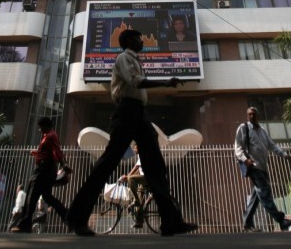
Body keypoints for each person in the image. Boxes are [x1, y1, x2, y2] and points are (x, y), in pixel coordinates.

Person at [65, 28, 198, 237]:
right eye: (138, 37)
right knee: (107, 164)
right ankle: (77, 219)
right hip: (127, 112)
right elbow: (135, 82)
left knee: (156, 166)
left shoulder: (135, 60)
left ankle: (171, 221)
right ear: (128, 41)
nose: (142, 39)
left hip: (139, 113)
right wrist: (165, 81)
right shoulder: (123, 58)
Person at [234, 106, 291, 232]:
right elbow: (238, 146)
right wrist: (245, 159)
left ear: (258, 115)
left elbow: (272, 146)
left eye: (254, 114)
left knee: (256, 196)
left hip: (263, 167)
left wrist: (285, 155)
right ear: (247, 116)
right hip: (253, 166)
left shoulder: (262, 131)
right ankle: (281, 220)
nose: (252, 116)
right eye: (249, 114)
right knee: (264, 192)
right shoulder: (244, 128)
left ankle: (247, 223)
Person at [11, 117, 69, 233]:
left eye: (41, 127)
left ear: (46, 126)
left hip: (43, 170)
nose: (39, 130)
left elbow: (57, 151)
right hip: (46, 169)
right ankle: (69, 218)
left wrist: (64, 165)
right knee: (48, 197)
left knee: (31, 197)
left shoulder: (50, 136)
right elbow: (48, 152)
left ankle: (25, 225)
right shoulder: (48, 135)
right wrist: (36, 153)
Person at [119, 145, 148, 228]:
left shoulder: (143, 154)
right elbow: (139, 170)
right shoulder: (140, 155)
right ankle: (139, 222)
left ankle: (136, 201)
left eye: (136, 148)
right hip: (144, 179)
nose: (134, 150)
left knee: (131, 179)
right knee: (140, 199)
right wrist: (128, 176)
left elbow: (136, 167)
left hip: (148, 178)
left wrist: (128, 176)